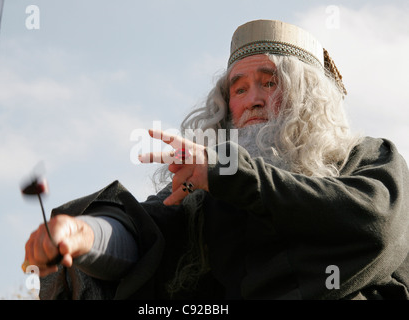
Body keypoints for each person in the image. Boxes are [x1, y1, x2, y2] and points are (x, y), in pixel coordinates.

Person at [23, 19, 409, 300]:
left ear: (309, 99)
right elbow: (145, 232)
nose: (252, 99)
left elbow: (370, 222)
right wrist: (85, 236)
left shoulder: (369, 157)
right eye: (238, 88)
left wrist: (231, 172)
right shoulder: (210, 191)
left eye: (270, 82)